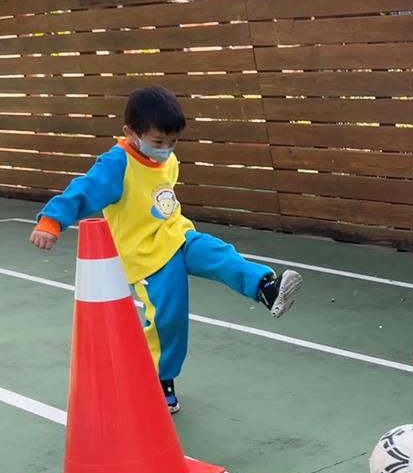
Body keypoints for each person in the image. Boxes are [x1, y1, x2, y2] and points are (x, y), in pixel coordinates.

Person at [29, 85, 302, 414]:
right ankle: (158, 379)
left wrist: (165, 157)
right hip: (148, 257)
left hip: (177, 235)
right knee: (169, 319)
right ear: (131, 133)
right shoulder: (117, 164)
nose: (166, 149)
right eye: (158, 142)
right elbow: (84, 190)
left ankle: (265, 288)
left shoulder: (167, 158)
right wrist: (51, 221)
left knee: (219, 254)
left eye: (173, 142)